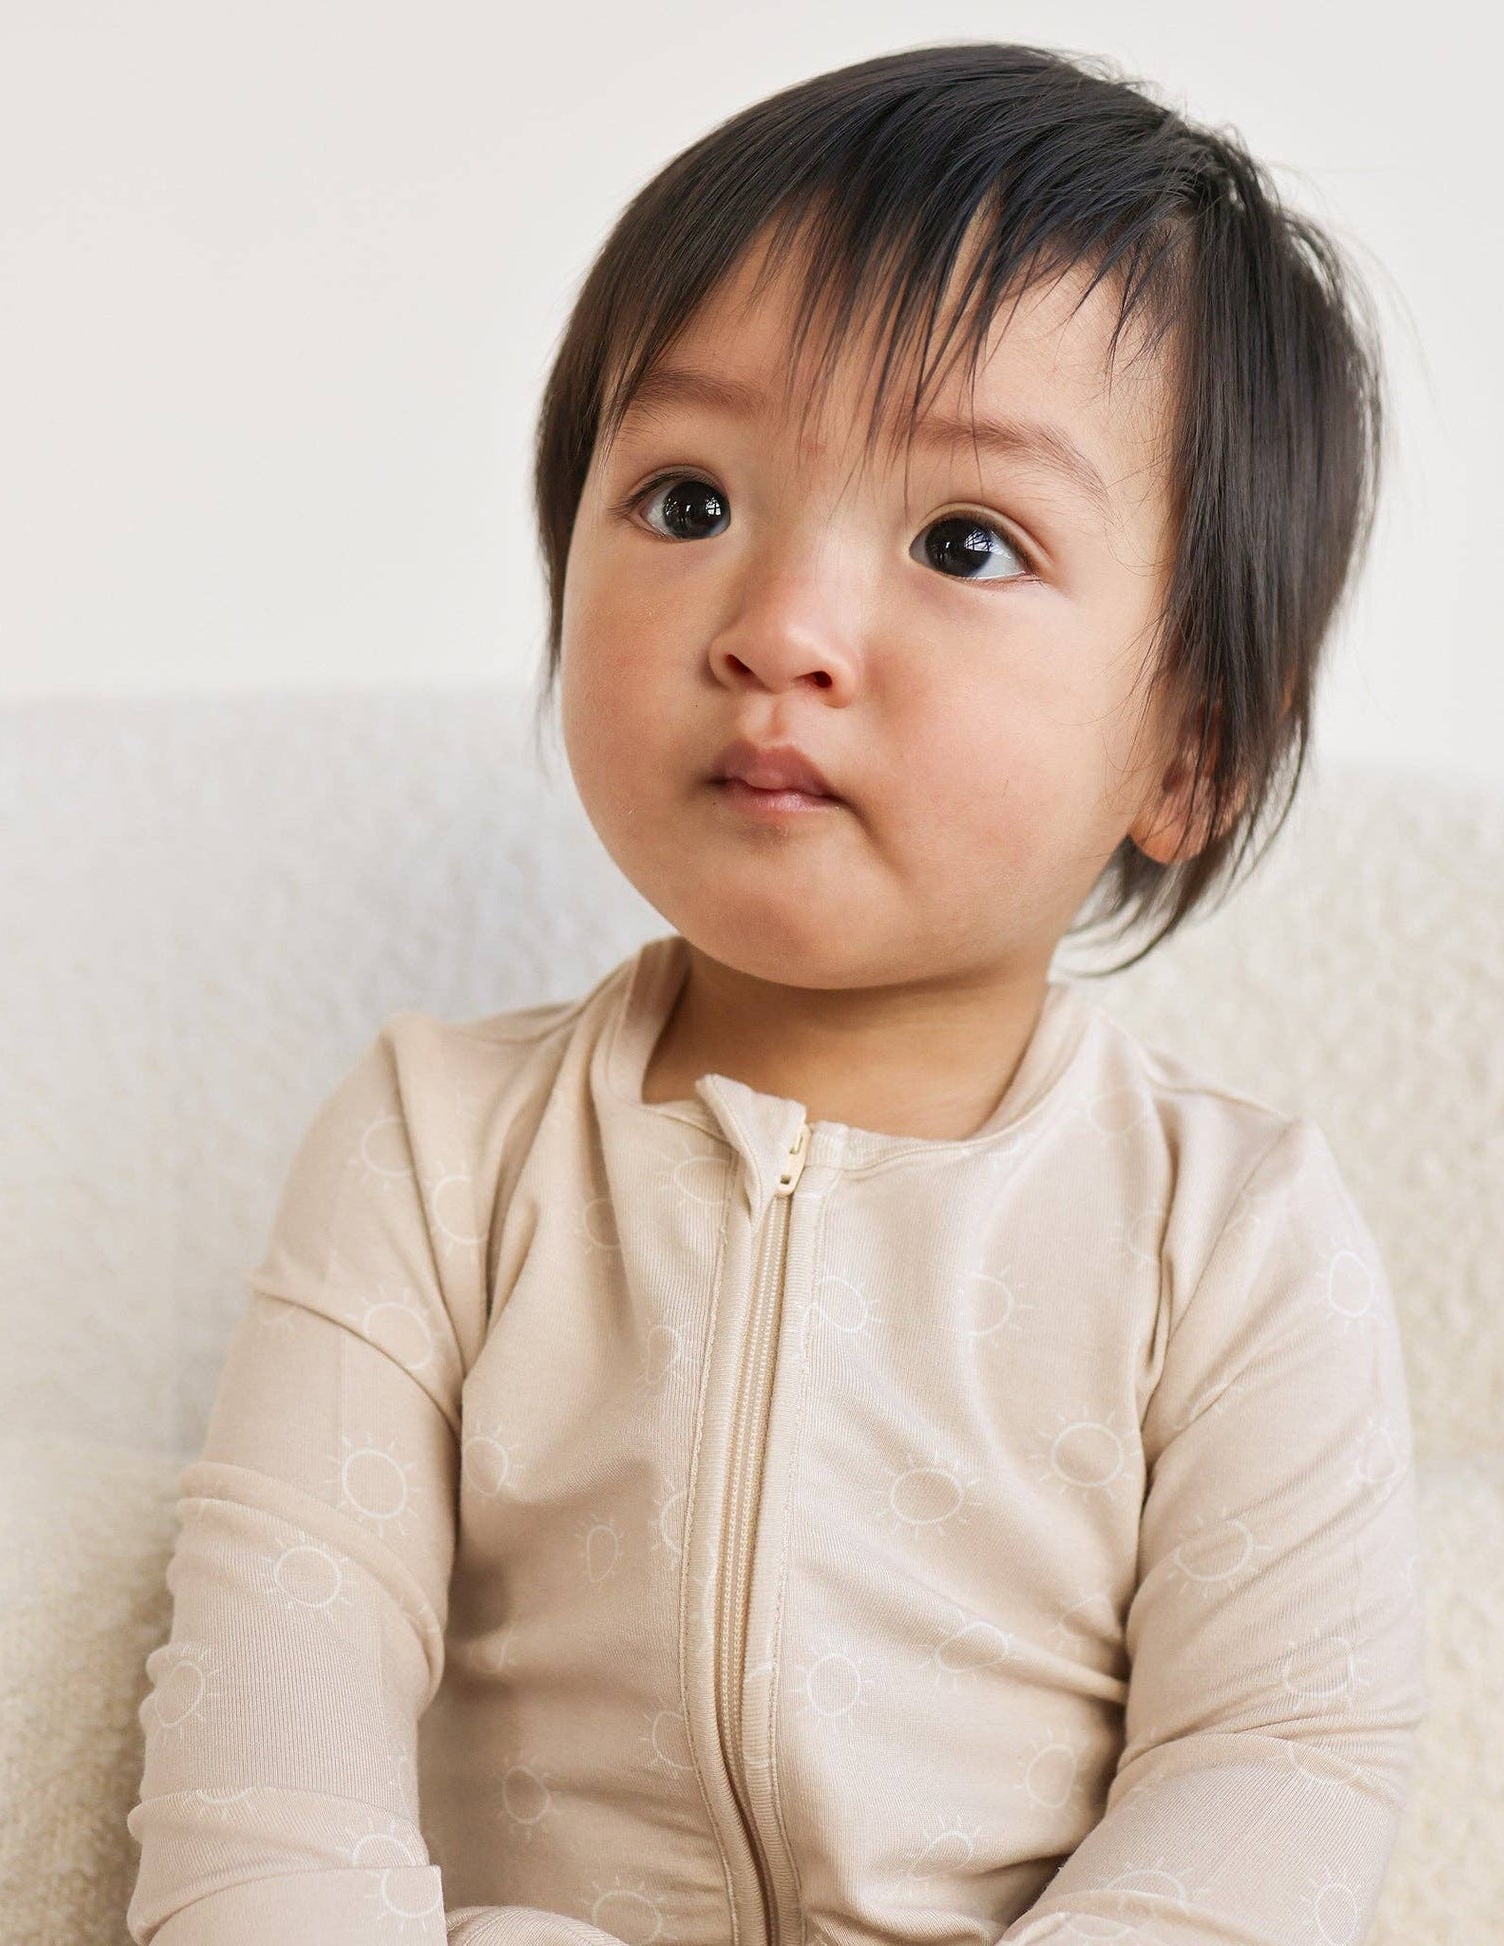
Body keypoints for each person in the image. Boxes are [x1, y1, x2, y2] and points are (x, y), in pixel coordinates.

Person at [125, 40, 1424, 1946]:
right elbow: (274, 1682)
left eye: (964, 541)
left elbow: (1281, 1762)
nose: (778, 629)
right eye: (685, 500)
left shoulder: (1222, 1238)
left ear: (1191, 750)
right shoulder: (438, 1148)